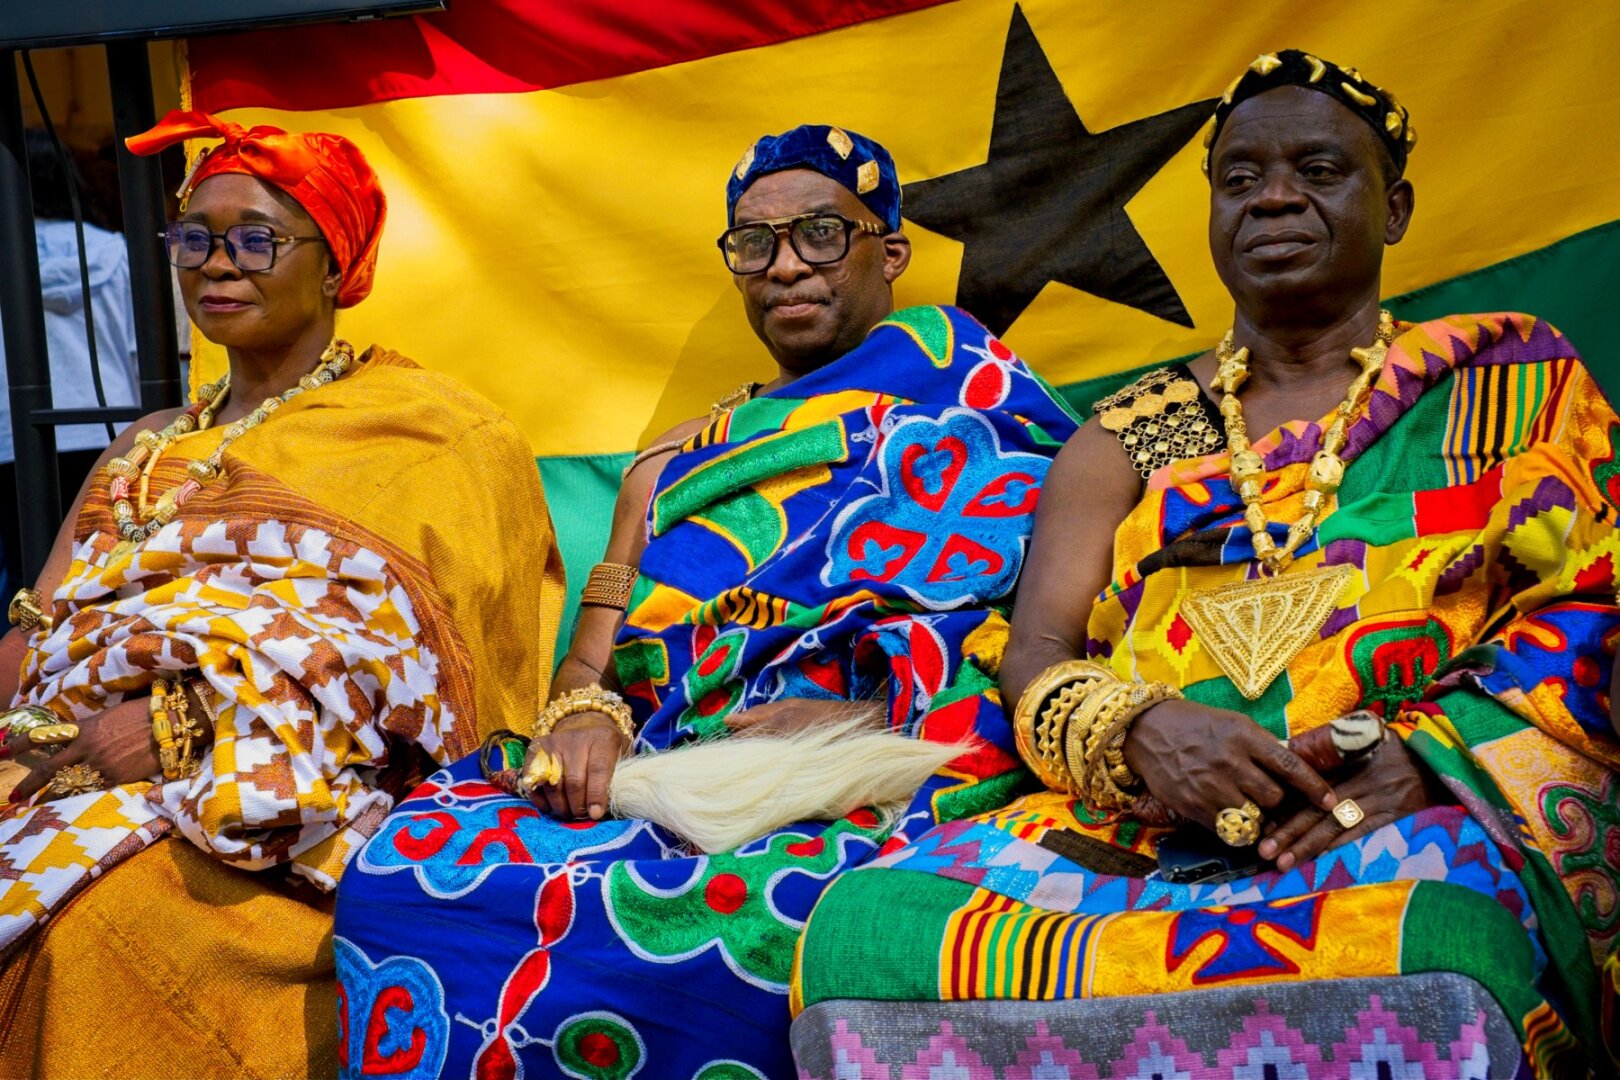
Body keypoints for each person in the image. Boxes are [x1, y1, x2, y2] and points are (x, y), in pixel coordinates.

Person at [793, 53, 1619, 1076]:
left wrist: (1437, 761)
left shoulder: (1508, 379)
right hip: (1139, 832)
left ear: (1393, 208)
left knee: (1432, 942)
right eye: (1240, 179)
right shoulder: (1129, 436)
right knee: (865, 933)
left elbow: (1598, 602)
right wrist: (1140, 732)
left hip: (1401, 815)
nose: (1275, 196)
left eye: (1319, 170)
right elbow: (1038, 650)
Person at [332, 125, 1080, 1077]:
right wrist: (586, 720)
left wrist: (856, 725)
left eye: (819, 233)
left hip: (886, 765)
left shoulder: (973, 384)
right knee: (402, 881)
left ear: (888, 251)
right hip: (675, 763)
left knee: (760, 914)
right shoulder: (671, 462)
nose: (784, 266)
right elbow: (587, 667)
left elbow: (1055, 612)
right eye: (754, 243)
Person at [0, 111, 564, 1075]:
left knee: (98, 934)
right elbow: (36, 636)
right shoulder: (145, 445)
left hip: (302, 812)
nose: (218, 264)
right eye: (196, 238)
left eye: (257, 238)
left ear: (338, 266)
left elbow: (429, 677)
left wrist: (184, 724)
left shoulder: (435, 434)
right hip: (71, 772)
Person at [0, 129, 143, 595]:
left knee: (23, 578)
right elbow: (138, 347)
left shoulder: (8, 255)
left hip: (10, 436)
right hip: (108, 427)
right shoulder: (115, 250)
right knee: (104, 568)